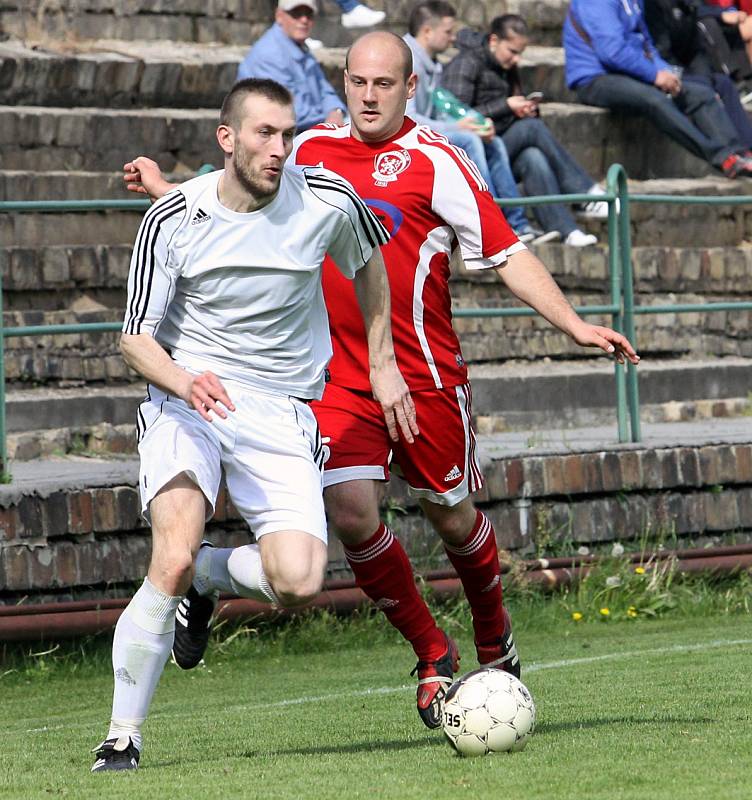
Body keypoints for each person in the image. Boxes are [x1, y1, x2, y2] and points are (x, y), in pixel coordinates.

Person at [124, 33, 639, 733]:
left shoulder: (439, 161)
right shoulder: (305, 152)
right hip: (338, 378)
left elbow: (506, 253)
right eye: (357, 82)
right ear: (343, 83)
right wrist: (166, 193)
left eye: (383, 84)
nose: (368, 96)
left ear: (409, 89)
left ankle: (497, 641)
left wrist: (574, 324)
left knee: (454, 520)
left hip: (425, 377)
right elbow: (239, 208)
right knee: (354, 512)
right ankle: (433, 653)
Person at [91, 77, 417, 773]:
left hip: (280, 408)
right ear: (227, 139)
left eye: (287, 133)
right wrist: (182, 380)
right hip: (188, 400)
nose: (280, 148)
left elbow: (370, 266)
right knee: (170, 554)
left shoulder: (326, 200)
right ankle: (123, 736)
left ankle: (209, 577)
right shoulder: (172, 217)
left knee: (299, 583)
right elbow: (134, 340)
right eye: (265, 134)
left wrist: (384, 363)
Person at [441, 14, 607, 247]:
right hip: (475, 152)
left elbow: (505, 111)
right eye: (512, 51)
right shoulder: (466, 63)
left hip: (498, 142)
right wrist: (506, 105)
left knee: (534, 158)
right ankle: (584, 193)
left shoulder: (506, 66)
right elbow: (456, 114)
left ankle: (566, 230)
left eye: (520, 53)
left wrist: (524, 109)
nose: (516, 59)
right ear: (494, 41)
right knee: (532, 129)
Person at [564, 0, 752, 178]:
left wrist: (667, 73)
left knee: (700, 94)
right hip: (595, 79)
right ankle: (722, 157)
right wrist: (654, 75)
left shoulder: (634, 2)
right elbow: (612, 51)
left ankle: (736, 152)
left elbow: (646, 44)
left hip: (629, 74)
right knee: (655, 100)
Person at [404, 0, 540, 242]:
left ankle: (517, 223)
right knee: (469, 140)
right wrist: (459, 128)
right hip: (404, 139)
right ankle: (490, 220)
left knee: (493, 142)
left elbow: (441, 108)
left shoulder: (431, 62)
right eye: (447, 32)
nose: (452, 38)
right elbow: (407, 119)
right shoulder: (407, 59)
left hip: (426, 132)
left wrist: (475, 121)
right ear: (427, 31)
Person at [644, 0, 752, 149]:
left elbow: (697, 52)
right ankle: (732, 151)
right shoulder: (653, 6)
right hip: (664, 71)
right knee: (703, 90)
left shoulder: (689, 5)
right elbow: (662, 52)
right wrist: (700, 83)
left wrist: (704, 79)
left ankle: (749, 147)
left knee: (723, 83)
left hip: (688, 70)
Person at [236, 0, 346, 131]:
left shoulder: (299, 48)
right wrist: (330, 123)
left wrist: (336, 111)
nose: (304, 20)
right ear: (279, 16)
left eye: (309, 14)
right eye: (296, 14)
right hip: (279, 138)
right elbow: (288, 112)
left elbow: (325, 91)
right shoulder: (270, 54)